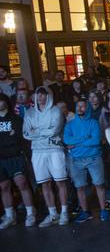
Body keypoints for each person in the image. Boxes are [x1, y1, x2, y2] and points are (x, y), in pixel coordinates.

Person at [24, 86, 69, 226]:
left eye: (43, 95)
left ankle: (64, 212)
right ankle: (52, 214)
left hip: (54, 149)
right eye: (38, 95)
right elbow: (25, 133)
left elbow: (55, 130)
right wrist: (44, 131)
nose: (41, 97)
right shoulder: (30, 113)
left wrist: (36, 131)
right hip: (37, 151)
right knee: (45, 183)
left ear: (48, 96)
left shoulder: (55, 111)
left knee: (60, 182)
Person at [63, 99, 109, 222]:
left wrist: (76, 143)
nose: (79, 109)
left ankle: (103, 210)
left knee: (99, 184)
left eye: (82, 106)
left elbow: (95, 141)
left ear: (87, 108)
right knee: (80, 187)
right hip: (76, 160)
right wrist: (85, 138)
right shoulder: (70, 124)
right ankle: (85, 212)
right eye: (78, 106)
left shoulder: (94, 123)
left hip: (94, 158)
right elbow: (67, 140)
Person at [0, 93, 35, 228]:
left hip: (16, 156)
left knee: (22, 183)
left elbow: (22, 139)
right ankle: (10, 216)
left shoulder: (16, 119)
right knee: (4, 187)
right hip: (1, 158)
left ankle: (31, 213)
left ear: (6, 103)